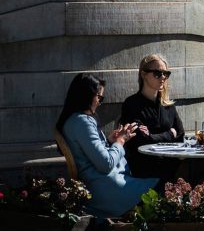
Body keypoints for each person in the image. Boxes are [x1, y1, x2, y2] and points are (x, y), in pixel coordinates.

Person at [56, 73, 158, 218]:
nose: (99, 102)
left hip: (102, 186)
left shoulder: (73, 120)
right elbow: (105, 164)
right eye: (99, 97)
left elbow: (89, 154)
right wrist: (120, 141)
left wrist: (109, 141)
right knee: (162, 188)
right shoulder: (82, 122)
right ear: (86, 96)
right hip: (108, 189)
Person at [120, 54, 185, 180]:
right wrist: (169, 134)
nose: (163, 77)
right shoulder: (132, 104)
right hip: (147, 167)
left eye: (166, 74)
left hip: (170, 162)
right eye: (157, 73)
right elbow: (140, 140)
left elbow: (180, 134)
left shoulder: (167, 105)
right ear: (143, 74)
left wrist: (152, 136)